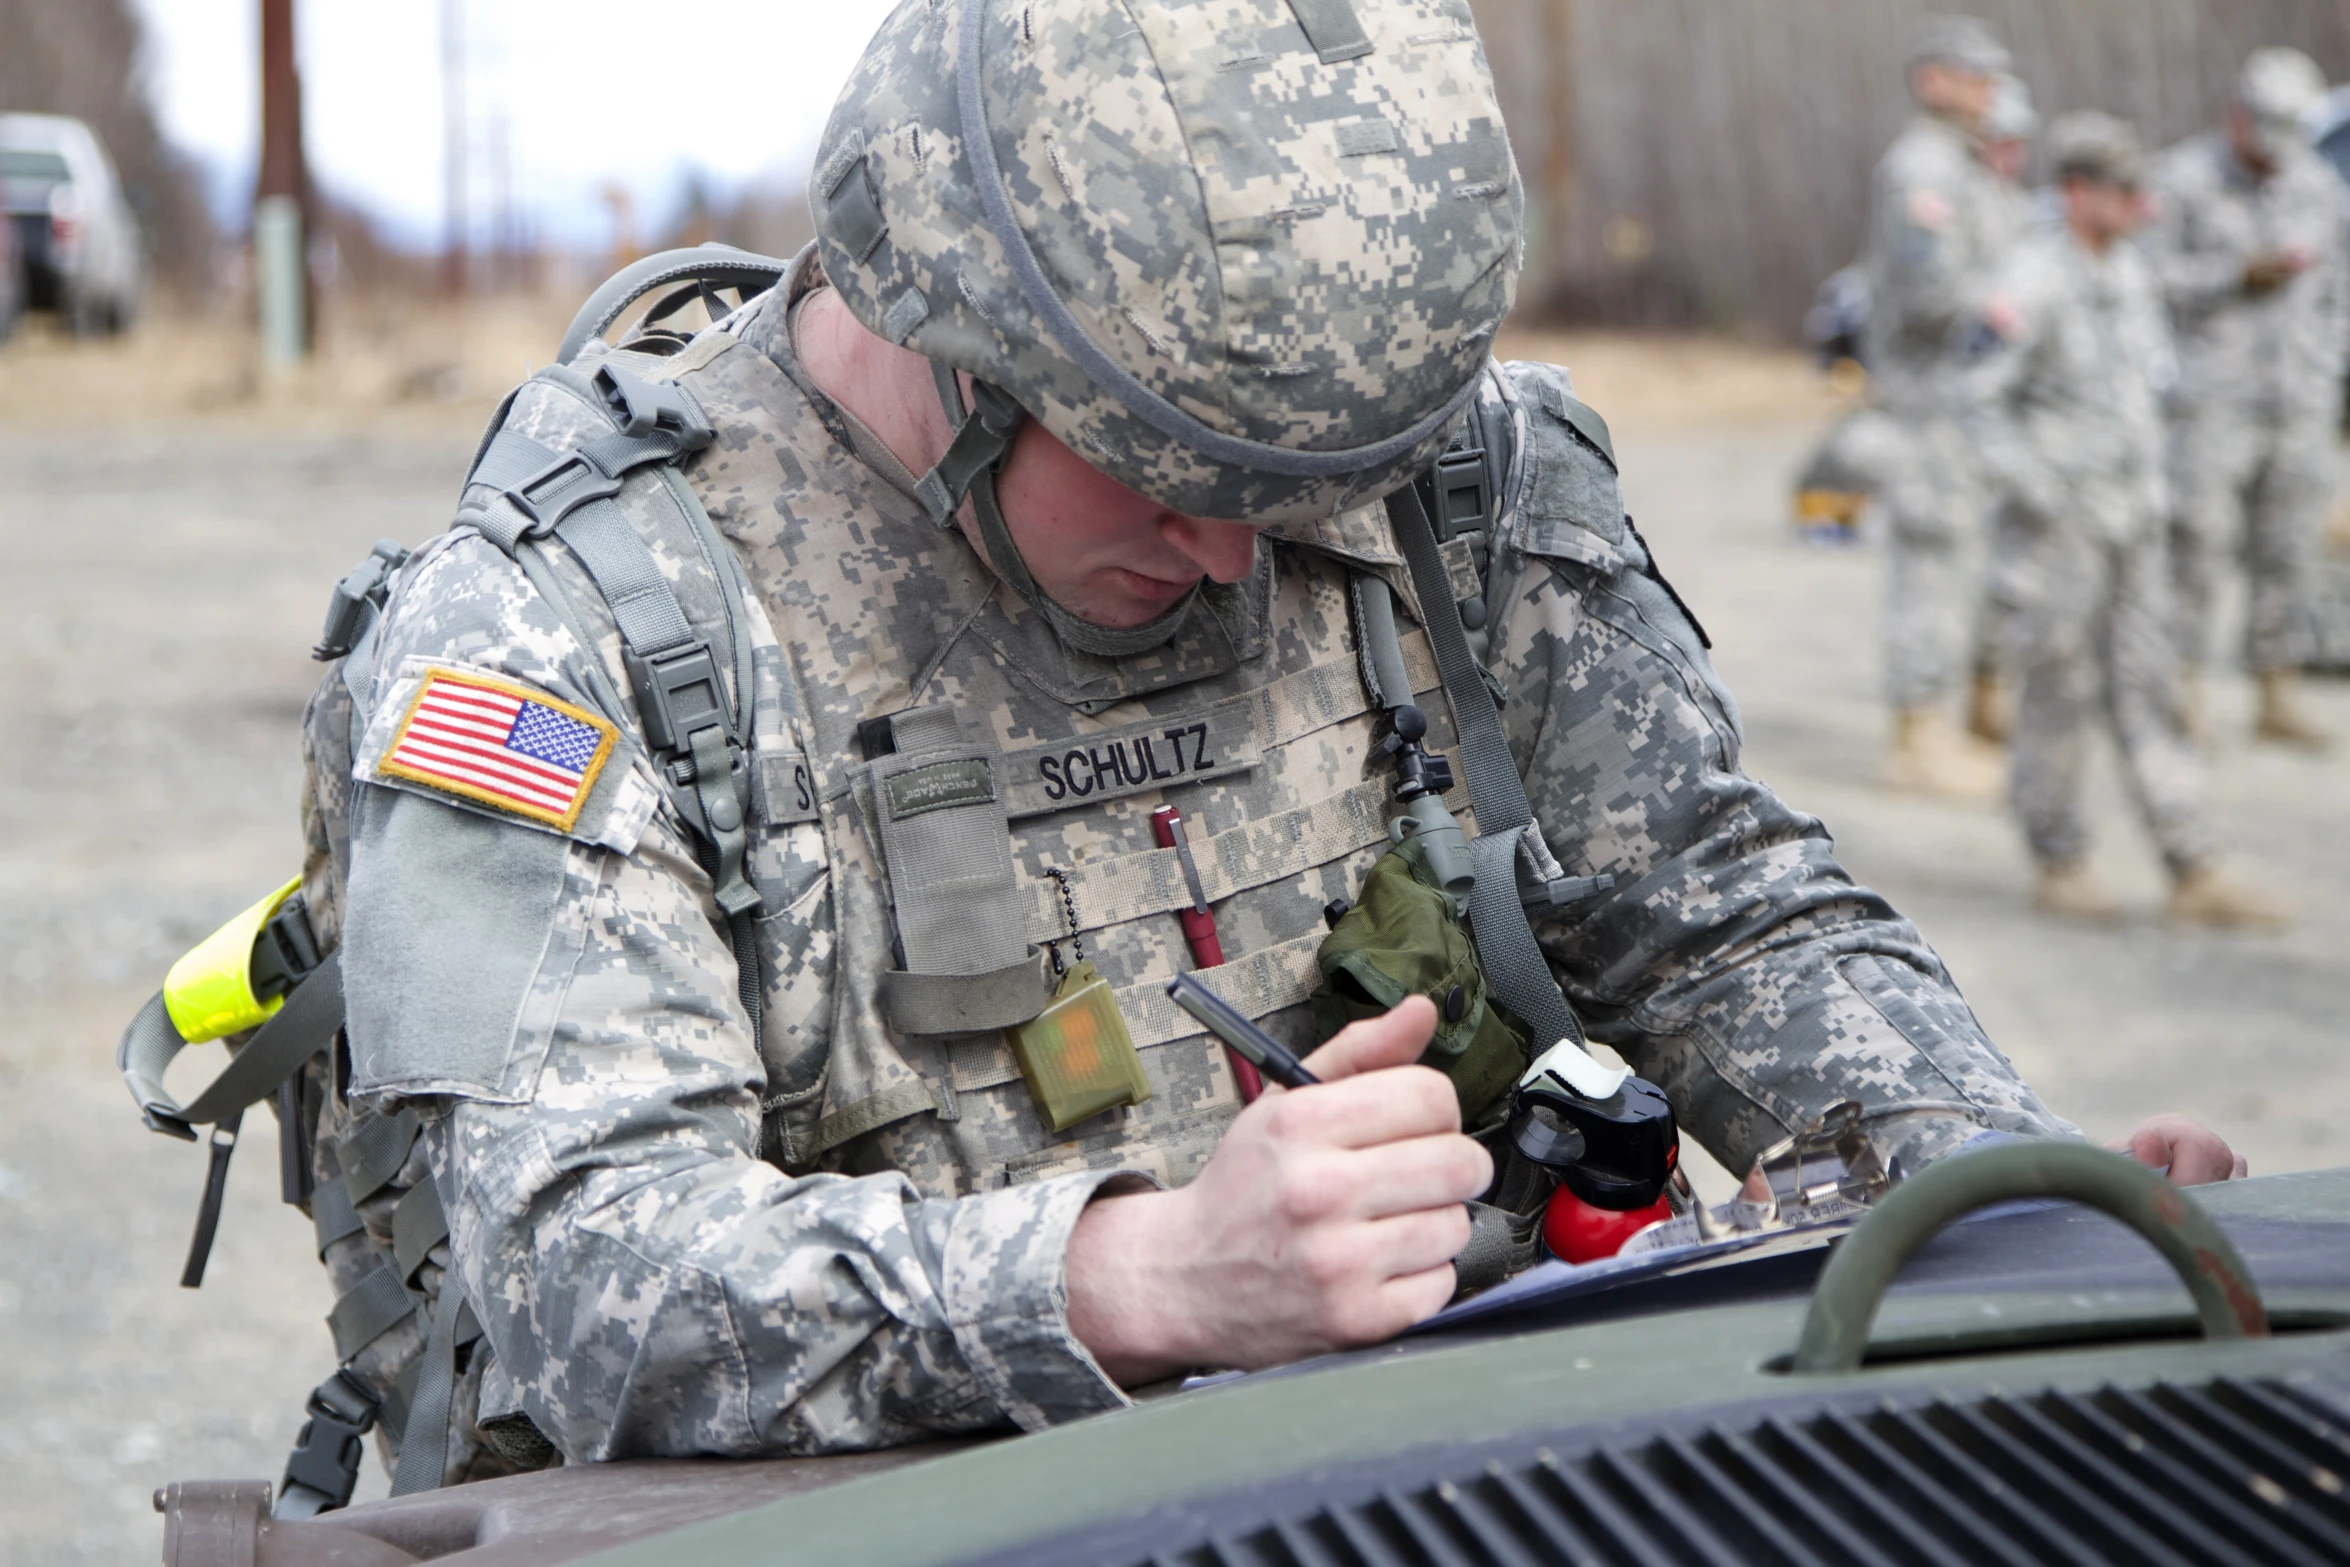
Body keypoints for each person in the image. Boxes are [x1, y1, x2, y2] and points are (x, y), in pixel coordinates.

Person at [303, 0, 2246, 1483]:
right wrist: (1138, 1280)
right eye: (1164, 475)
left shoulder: (1445, 479)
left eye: (1300, 482)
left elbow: (1714, 908)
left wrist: (1985, 1178)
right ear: (956, 351)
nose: (1241, 550)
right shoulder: (578, 621)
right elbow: (585, 1272)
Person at [1962, 113, 2285, 928]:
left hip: (2134, 524)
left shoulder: (2133, 272)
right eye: (2124, 189)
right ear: (2077, 192)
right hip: (2061, 532)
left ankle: (2192, 862)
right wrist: (2044, 493)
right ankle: (2060, 856)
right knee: (2057, 694)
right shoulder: (2032, 279)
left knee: (2154, 688)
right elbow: (1976, 402)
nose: (2141, 203)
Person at [2144, 47, 2350, 748]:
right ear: (2237, 116)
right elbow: (2145, 282)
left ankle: (2275, 691)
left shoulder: (2317, 186)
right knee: (2197, 549)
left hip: (2298, 401)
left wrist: (2327, 364)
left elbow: (2337, 290)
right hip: (2211, 404)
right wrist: (2233, 275)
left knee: (2288, 549)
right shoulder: (2182, 181)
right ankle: (2181, 692)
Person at [1861, 16, 2019, 797]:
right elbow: (1932, 293)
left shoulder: (1966, 166)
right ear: (1934, 79)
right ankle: (1919, 739)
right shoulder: (1924, 168)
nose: (1989, 87)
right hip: (1928, 403)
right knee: (1931, 561)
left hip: (1965, 404)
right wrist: (2010, 305)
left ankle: (1950, 719)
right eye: (1975, 73)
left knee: (1965, 560)